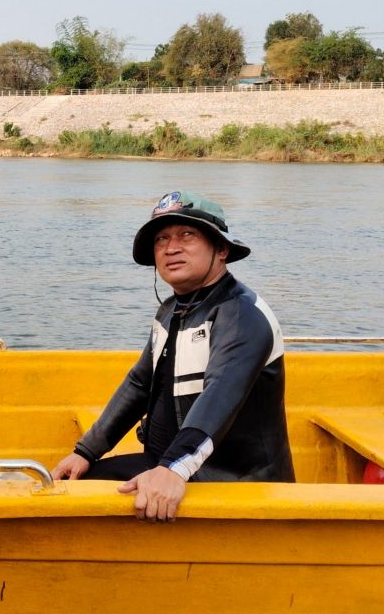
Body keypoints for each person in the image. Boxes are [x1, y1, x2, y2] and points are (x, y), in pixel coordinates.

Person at [51, 190, 294, 521]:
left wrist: (173, 468)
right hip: (170, 461)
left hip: (233, 479)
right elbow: (139, 385)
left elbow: (220, 394)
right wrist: (85, 451)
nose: (171, 248)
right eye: (161, 239)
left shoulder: (241, 315)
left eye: (187, 235)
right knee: (72, 484)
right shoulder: (172, 310)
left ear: (221, 249)